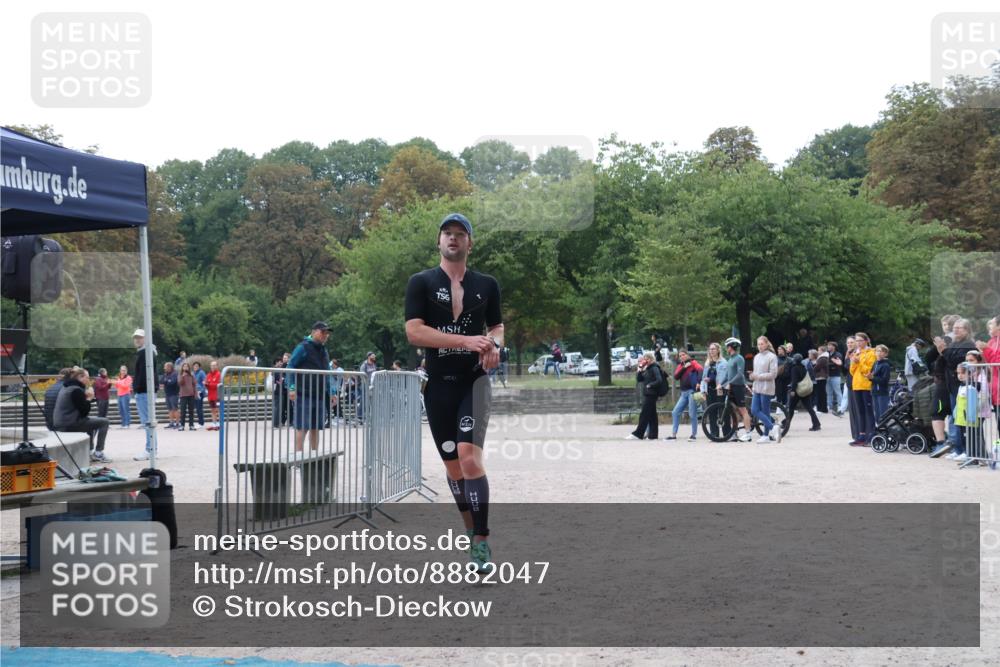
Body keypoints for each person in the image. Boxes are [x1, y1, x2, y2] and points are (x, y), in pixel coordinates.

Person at [405, 212, 503, 574]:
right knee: (454, 469)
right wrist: (466, 339)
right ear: (439, 241)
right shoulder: (421, 283)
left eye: (460, 234)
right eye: (447, 233)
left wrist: (493, 345)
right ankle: (469, 528)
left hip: (474, 383)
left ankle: (481, 540)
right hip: (438, 387)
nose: (453, 239)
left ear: (469, 243)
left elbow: (496, 326)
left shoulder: (487, 284)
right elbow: (414, 332)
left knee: (469, 457)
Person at [929, 318, 977, 457]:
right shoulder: (955, 343)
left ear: (967, 330)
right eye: (954, 327)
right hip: (952, 386)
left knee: (962, 419)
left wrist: (943, 350)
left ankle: (965, 450)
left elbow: (957, 362)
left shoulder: (968, 344)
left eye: (959, 328)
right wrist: (941, 351)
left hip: (961, 386)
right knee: (957, 418)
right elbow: (942, 361)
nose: (955, 330)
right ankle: (958, 449)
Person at [288, 322, 334, 452]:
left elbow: (328, 372)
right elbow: (290, 366)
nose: (326, 335)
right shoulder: (303, 347)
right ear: (314, 332)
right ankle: (298, 458)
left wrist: (332, 391)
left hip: (319, 395)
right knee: (302, 427)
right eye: (323, 332)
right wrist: (291, 387)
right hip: (304, 394)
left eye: (327, 333)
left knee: (316, 427)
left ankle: (314, 458)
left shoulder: (324, 350)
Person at [54, 367, 111, 462]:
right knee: (104, 422)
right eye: (87, 377)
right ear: (80, 377)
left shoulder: (67, 387)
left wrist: (87, 399)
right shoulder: (76, 390)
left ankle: (89, 451)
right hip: (69, 424)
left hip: (62, 421)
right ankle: (98, 452)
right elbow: (84, 411)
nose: (88, 380)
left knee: (90, 422)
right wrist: (89, 398)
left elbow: (79, 407)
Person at [131, 328, 159, 462]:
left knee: (148, 422)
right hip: (144, 390)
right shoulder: (146, 352)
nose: (137, 339)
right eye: (135, 337)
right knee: (148, 421)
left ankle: (150, 449)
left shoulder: (145, 353)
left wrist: (137, 388)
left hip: (144, 391)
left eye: (140, 337)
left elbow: (144, 375)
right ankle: (151, 449)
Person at [665, 350, 702, 442]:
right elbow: (676, 376)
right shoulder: (680, 366)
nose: (682, 357)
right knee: (675, 412)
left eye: (683, 355)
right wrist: (684, 368)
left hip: (692, 391)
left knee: (692, 413)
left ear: (687, 355)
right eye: (680, 355)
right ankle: (673, 435)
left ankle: (693, 435)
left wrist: (699, 382)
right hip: (683, 393)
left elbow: (701, 370)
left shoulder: (693, 363)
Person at [720, 337, 752, 442]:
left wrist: (730, 383)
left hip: (738, 386)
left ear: (732, 347)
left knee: (743, 410)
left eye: (727, 346)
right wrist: (720, 383)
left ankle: (748, 434)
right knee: (733, 411)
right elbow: (727, 374)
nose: (726, 348)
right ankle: (734, 433)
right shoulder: (730, 359)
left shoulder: (739, 358)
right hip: (732, 387)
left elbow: (739, 374)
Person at [749, 336, 780, 443]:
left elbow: (773, 374)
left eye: (762, 344)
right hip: (757, 387)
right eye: (758, 344)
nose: (760, 346)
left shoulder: (772, 357)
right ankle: (773, 427)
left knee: (765, 412)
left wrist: (758, 376)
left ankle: (766, 435)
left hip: (767, 387)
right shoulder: (756, 357)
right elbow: (756, 372)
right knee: (754, 410)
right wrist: (753, 377)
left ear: (767, 344)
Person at [627, 352, 664, 440]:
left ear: (652, 359)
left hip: (652, 394)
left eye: (648, 359)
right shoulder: (647, 369)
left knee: (644, 414)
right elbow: (640, 379)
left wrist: (650, 385)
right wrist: (639, 369)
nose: (646, 360)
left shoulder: (654, 368)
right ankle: (653, 435)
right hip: (648, 394)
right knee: (652, 415)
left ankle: (638, 434)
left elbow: (659, 380)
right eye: (645, 359)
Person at [849, 332, 876, 445]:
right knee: (860, 411)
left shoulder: (872, 352)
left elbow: (868, 369)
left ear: (866, 341)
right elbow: (851, 371)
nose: (858, 343)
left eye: (860, 340)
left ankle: (871, 435)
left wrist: (859, 362)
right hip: (856, 385)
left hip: (866, 385)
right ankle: (861, 435)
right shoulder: (856, 353)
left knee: (868, 411)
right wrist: (854, 362)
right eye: (857, 341)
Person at [785, 353, 821, 432]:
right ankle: (816, 424)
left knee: (791, 408)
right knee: (809, 408)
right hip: (805, 390)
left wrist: (793, 391)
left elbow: (794, 381)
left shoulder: (794, 368)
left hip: (797, 391)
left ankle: (785, 424)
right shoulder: (803, 367)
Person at [700, 343, 727, 440]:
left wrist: (715, 381)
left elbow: (724, 377)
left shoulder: (723, 362)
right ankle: (714, 433)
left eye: (713, 349)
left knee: (722, 412)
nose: (711, 351)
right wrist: (703, 390)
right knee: (711, 412)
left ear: (718, 350)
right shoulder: (707, 363)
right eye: (710, 349)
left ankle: (726, 433)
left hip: (720, 390)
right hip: (710, 390)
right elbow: (703, 377)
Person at [871, 344, 892, 423]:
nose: (879, 353)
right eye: (877, 351)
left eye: (882, 351)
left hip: (882, 393)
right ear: (875, 353)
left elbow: (884, 380)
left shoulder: (885, 365)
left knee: (883, 414)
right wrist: (869, 377)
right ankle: (879, 431)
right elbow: (872, 376)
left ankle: (885, 431)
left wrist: (872, 378)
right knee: (876, 413)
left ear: (886, 354)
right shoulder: (875, 363)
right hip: (874, 391)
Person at [358, 351, 378, 423]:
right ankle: (360, 416)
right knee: (363, 401)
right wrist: (366, 384)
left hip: (372, 385)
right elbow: (361, 375)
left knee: (370, 401)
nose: (374, 357)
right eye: (373, 356)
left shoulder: (373, 365)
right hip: (365, 385)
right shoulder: (364, 365)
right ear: (369, 357)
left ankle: (367, 416)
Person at [826, 341, 844, 417]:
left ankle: (840, 406)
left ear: (834, 347)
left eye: (830, 345)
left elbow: (838, 364)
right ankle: (829, 406)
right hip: (828, 375)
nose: (828, 347)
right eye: (828, 345)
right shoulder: (827, 354)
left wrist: (828, 364)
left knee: (837, 392)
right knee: (828, 392)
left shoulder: (838, 354)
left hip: (836, 376)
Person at [272, 355, 291, 427]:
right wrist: (282, 380)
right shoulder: (276, 370)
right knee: (277, 407)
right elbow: (277, 381)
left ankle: (277, 422)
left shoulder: (279, 370)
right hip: (278, 391)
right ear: (276, 362)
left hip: (280, 391)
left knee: (279, 407)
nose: (281, 363)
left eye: (281, 362)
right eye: (280, 362)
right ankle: (276, 423)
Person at [178, 362, 198, 431]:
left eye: (187, 366)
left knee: (191, 411)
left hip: (191, 395)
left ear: (189, 368)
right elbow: (180, 383)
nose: (186, 367)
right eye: (184, 366)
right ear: (182, 368)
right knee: (183, 411)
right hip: (183, 395)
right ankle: (182, 425)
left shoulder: (192, 375)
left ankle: (191, 425)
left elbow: (194, 385)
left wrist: (196, 394)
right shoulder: (180, 375)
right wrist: (183, 376)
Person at [161, 362, 180, 429]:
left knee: (175, 409)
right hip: (167, 394)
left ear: (169, 367)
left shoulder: (175, 374)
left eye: (165, 367)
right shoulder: (165, 374)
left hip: (174, 394)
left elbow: (173, 382)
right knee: (170, 409)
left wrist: (167, 381)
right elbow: (162, 381)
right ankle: (171, 423)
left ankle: (177, 423)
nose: (164, 368)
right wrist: (167, 381)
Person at [204, 360, 222, 431]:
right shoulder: (208, 375)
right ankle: (214, 423)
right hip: (210, 395)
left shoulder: (219, 374)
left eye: (214, 365)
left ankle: (219, 423)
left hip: (217, 395)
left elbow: (218, 385)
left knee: (218, 410)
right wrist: (206, 384)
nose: (213, 367)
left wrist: (209, 384)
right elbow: (207, 384)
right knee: (213, 410)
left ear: (217, 366)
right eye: (212, 365)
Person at [812, 348, 829, 413]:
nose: (818, 351)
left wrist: (813, 368)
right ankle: (822, 408)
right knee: (821, 393)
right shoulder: (822, 357)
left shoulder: (823, 358)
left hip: (821, 377)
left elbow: (818, 366)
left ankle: (822, 409)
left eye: (819, 350)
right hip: (820, 377)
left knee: (821, 393)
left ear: (822, 351)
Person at [192, 361, 207, 428]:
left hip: (199, 393)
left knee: (199, 408)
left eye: (197, 366)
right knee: (197, 408)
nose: (195, 367)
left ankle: (201, 423)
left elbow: (205, 382)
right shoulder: (193, 373)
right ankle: (200, 422)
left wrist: (202, 390)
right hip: (194, 392)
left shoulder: (201, 372)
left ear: (199, 367)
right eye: (194, 366)